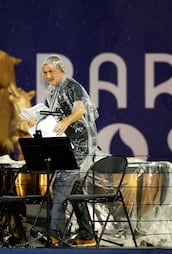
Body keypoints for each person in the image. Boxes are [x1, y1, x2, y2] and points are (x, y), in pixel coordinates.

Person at [33, 55, 99, 247]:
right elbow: (55, 116)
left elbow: (81, 110)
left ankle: (53, 233)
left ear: (61, 69)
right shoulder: (54, 91)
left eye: (51, 71)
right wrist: (36, 119)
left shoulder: (72, 86)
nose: (48, 75)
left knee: (61, 185)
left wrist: (65, 121)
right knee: (75, 189)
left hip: (79, 145)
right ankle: (87, 235)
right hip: (68, 144)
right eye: (45, 72)